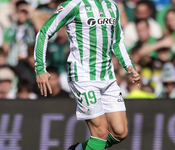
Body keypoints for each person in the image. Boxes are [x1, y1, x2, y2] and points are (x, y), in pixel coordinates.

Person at [34, 0, 140, 150]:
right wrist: (40, 69)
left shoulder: (112, 6)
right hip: (83, 76)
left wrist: (129, 66)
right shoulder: (74, 5)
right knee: (101, 133)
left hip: (108, 77)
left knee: (120, 132)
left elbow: (117, 41)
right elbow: (44, 32)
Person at [4, 0, 36, 66]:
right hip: (14, 61)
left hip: (29, 61)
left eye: (25, 12)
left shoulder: (32, 26)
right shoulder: (11, 29)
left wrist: (31, 13)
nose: (22, 14)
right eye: (20, 12)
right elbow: (6, 46)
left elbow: (41, 30)